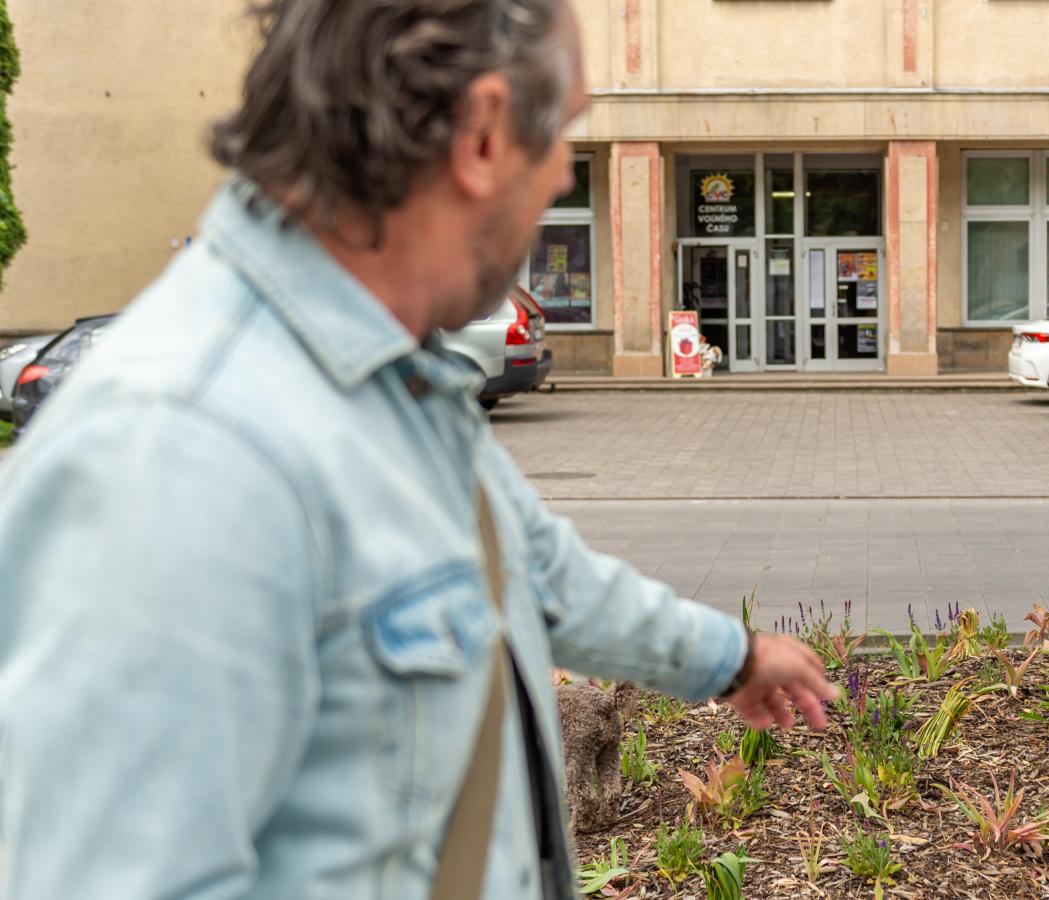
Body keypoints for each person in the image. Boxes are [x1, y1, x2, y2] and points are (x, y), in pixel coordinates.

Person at [0, 1, 838, 897]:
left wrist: (732, 658)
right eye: (562, 132)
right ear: (481, 133)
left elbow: (540, 574)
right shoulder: (182, 454)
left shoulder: (389, 379)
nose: (562, 176)